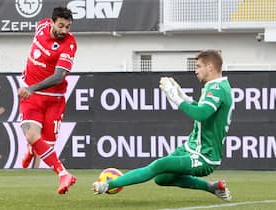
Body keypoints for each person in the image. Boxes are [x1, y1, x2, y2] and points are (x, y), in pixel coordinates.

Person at [92, 50, 233, 201]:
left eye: (198, 66)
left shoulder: (217, 89)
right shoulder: (217, 86)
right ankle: (212, 187)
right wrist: (181, 94)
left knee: (159, 165)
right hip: (191, 147)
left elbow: (200, 114)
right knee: (162, 178)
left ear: (210, 67)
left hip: (204, 156)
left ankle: (108, 185)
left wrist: (174, 97)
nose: (195, 70)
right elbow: (203, 111)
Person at [17, 6, 77, 194]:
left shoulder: (70, 44)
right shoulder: (41, 26)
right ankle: (64, 174)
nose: (64, 31)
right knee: (32, 136)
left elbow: (59, 76)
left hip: (53, 99)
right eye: (61, 25)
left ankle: (32, 150)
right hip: (33, 98)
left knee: (46, 147)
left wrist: (31, 88)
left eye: (67, 27)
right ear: (51, 22)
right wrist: (30, 84)